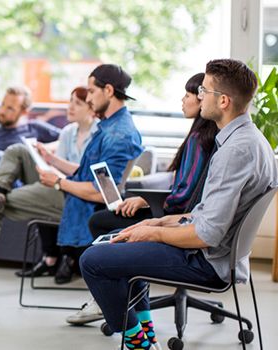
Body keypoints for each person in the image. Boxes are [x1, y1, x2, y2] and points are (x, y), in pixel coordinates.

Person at [79, 59, 277, 350]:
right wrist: (158, 222)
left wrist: (152, 234)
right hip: (217, 254)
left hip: (207, 262)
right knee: (124, 242)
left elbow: (205, 235)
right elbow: (207, 214)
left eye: (203, 90)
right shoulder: (250, 140)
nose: (199, 95)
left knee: (93, 261)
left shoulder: (234, 151)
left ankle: (139, 344)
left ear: (222, 101)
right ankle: (147, 336)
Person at [66, 73, 220, 326]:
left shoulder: (199, 139)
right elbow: (184, 184)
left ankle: (117, 307)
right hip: (184, 216)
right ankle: (137, 319)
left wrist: (152, 208)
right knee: (106, 225)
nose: (183, 100)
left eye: (189, 94)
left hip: (179, 219)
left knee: (101, 228)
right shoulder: (204, 135)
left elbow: (185, 194)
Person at [0, 86, 99, 298]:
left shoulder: (99, 136)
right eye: (70, 101)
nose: (70, 106)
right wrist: (46, 157)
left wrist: (55, 169)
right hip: (56, 183)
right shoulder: (68, 132)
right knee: (17, 150)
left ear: (92, 109)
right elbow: (59, 166)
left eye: (78, 103)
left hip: (74, 194)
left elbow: (88, 177)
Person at [34, 64, 143, 287]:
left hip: (88, 203)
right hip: (77, 193)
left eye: (92, 92)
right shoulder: (108, 127)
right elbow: (90, 173)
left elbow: (102, 192)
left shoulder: (116, 135)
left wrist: (58, 182)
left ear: (109, 91)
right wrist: (52, 160)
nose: (89, 98)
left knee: (6, 201)